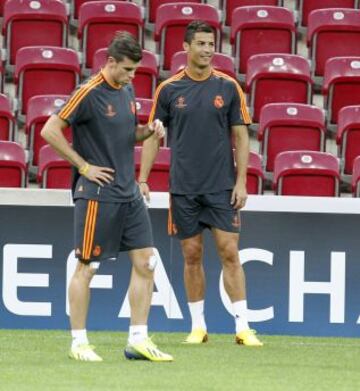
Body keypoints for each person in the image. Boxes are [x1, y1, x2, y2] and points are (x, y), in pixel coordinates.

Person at [41, 31, 173, 362]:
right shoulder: (86, 92)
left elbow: (128, 135)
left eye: (135, 71)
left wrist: (149, 132)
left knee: (147, 261)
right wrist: (84, 166)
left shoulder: (126, 90)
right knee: (87, 266)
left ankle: (138, 340)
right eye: (127, 69)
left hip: (128, 193)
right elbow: (49, 130)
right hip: (97, 195)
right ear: (110, 62)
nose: (132, 77)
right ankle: (79, 342)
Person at [139, 21, 263, 346]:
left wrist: (242, 182)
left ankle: (243, 327)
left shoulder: (228, 87)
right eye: (202, 44)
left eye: (212, 44)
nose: (208, 50)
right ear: (186, 47)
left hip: (222, 187)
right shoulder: (168, 90)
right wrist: (142, 178)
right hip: (184, 189)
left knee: (230, 252)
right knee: (191, 254)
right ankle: (198, 327)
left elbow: (241, 136)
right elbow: (152, 136)